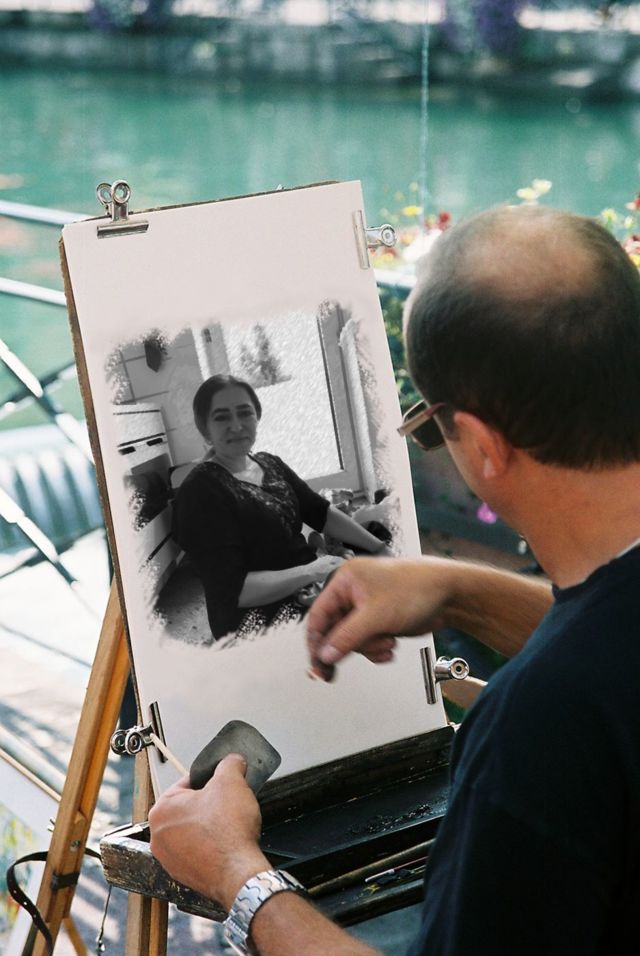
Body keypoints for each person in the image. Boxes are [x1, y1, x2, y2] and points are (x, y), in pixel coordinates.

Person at [149, 205, 640, 955]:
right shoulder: (585, 680)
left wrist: (238, 877)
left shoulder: (533, 732)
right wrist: (459, 589)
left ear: (481, 445)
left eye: (430, 427)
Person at [171, 374, 386, 640]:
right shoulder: (200, 491)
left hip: (308, 583)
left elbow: (320, 511)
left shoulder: (269, 463)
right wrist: (312, 572)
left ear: (257, 416)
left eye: (245, 413)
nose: (236, 426)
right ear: (205, 428)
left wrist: (379, 548)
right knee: (374, 619)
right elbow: (233, 591)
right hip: (254, 616)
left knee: (381, 562)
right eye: (221, 417)